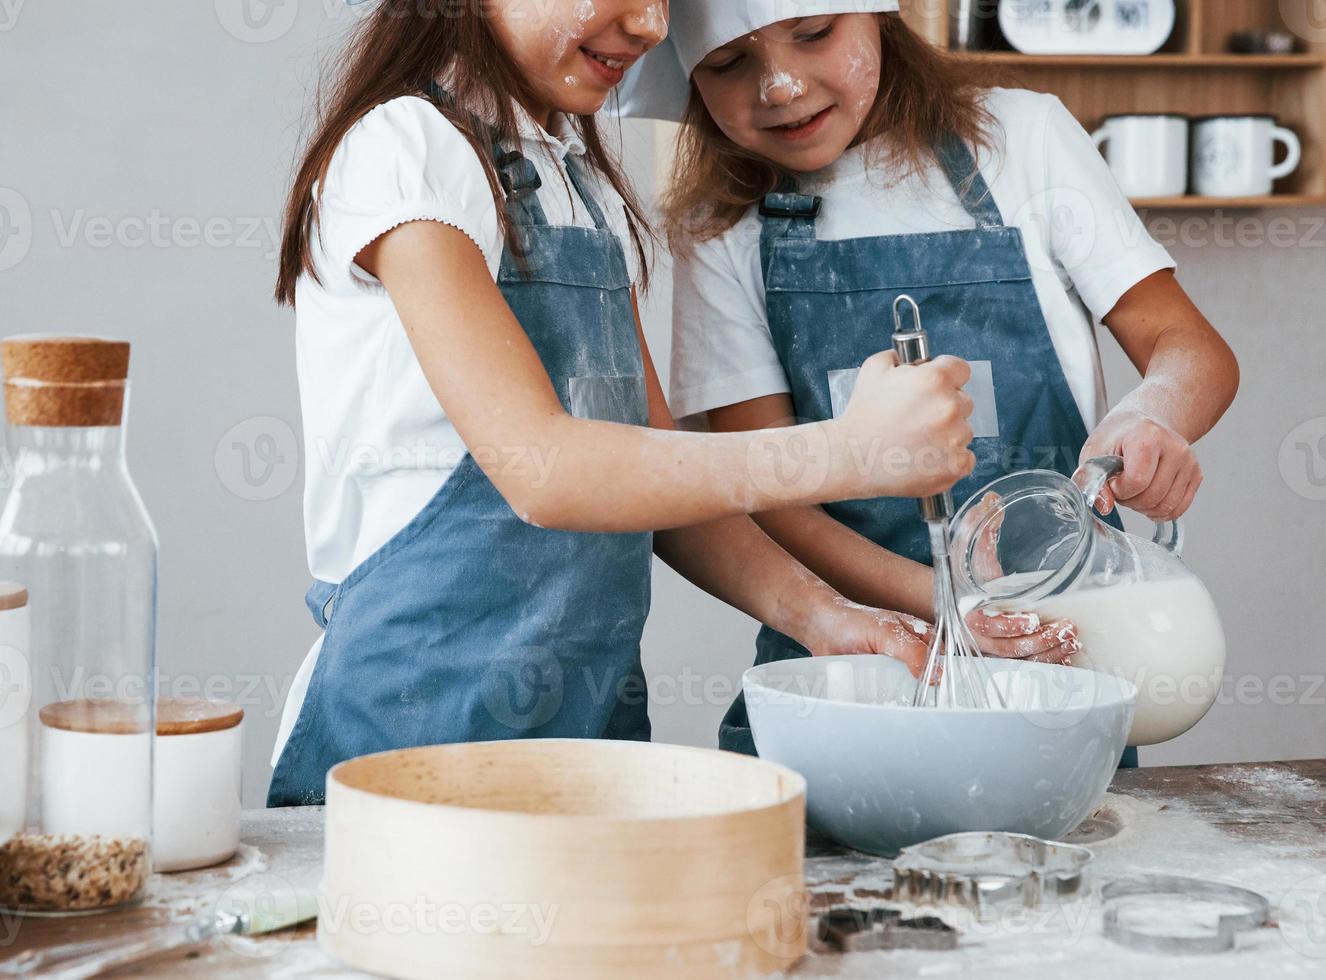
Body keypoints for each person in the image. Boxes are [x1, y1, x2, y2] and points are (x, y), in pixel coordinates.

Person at [265, 0, 979, 806]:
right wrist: (849, 452)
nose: (649, 24)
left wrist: (822, 616)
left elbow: (663, 479)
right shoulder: (406, 148)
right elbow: (548, 472)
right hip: (413, 737)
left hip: (586, 733)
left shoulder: (580, 176)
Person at [620, 0, 1239, 756]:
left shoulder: (1021, 140)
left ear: (882, 18)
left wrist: (1154, 414)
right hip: (850, 665)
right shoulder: (724, 222)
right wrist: (949, 607)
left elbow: (1190, 348)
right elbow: (768, 489)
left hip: (1055, 662)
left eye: (814, 34)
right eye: (727, 63)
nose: (779, 86)